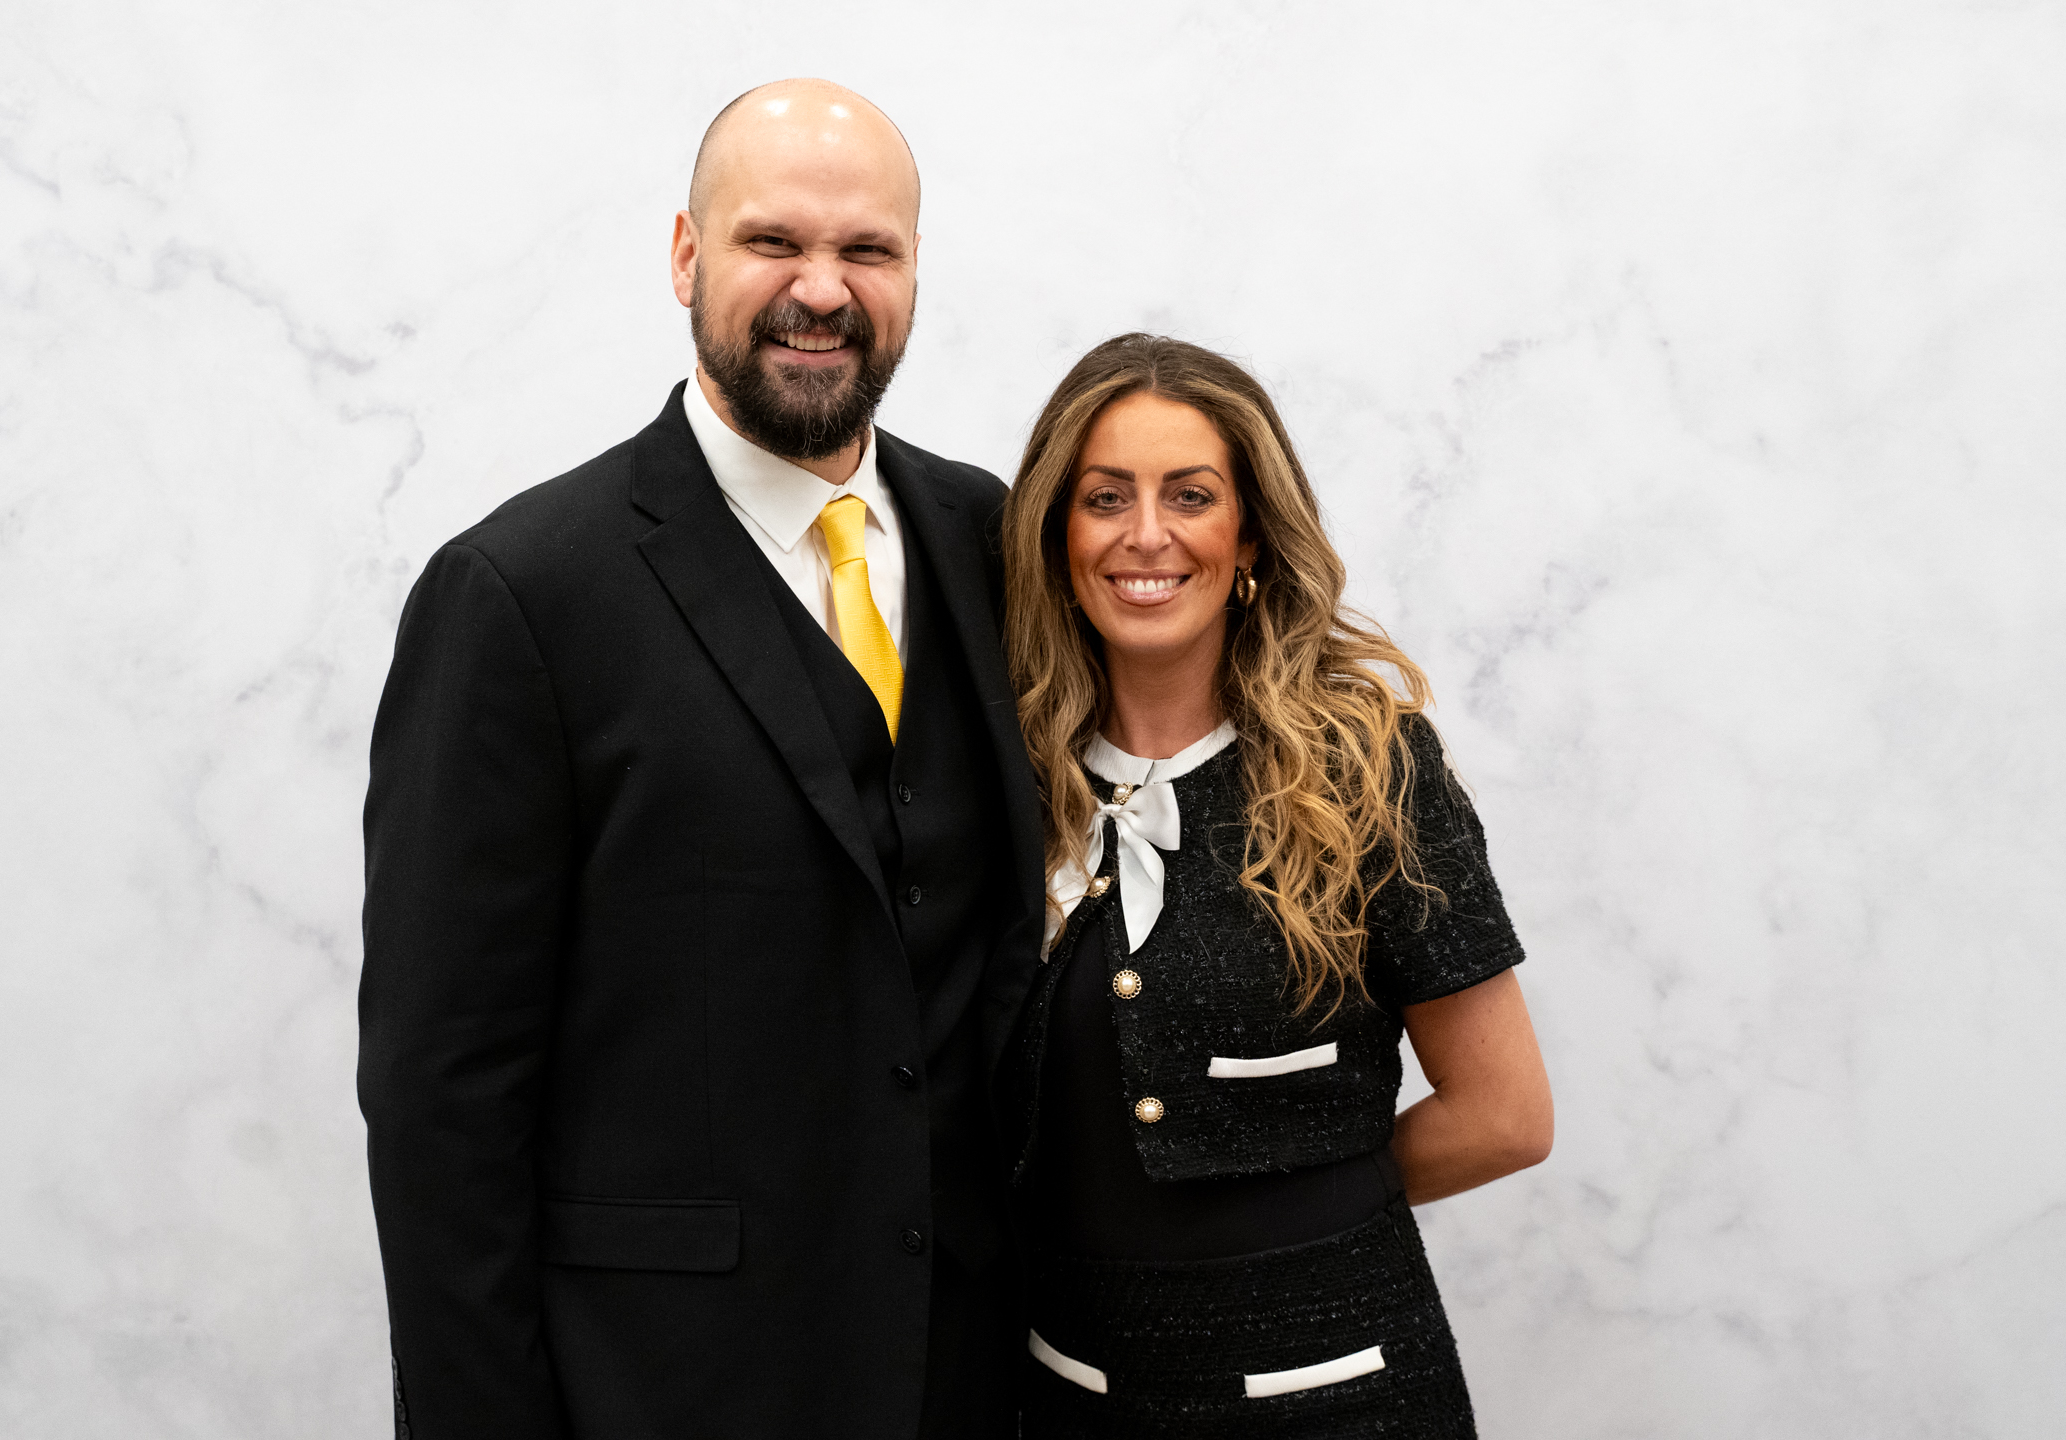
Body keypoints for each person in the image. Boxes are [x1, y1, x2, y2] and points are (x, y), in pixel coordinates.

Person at [358, 79, 1043, 1439]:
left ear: (915, 271)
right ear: (685, 256)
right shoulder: (519, 594)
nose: (822, 290)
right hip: (664, 1387)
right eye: (772, 241)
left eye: (866, 250)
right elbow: (442, 1096)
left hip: (970, 1378)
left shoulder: (992, 537)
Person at [998, 334, 1553, 1438]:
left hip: (1346, 1396)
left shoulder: (1368, 768)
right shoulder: (998, 772)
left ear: (1248, 533)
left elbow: (1505, 1116)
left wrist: (1301, 1205)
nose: (1145, 534)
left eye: (1190, 495)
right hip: (1067, 1398)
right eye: (1105, 497)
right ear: (1057, 534)